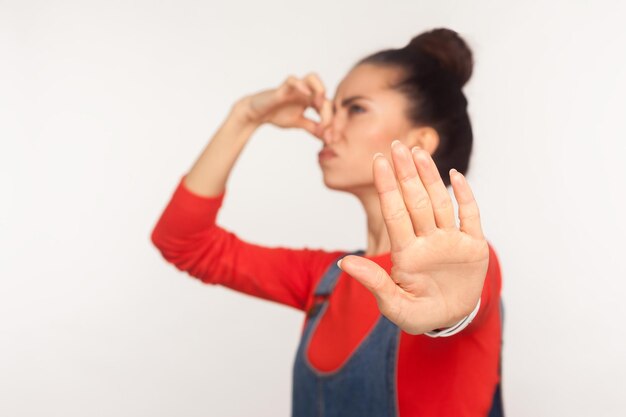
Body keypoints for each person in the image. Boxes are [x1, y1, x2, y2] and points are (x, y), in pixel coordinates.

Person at [151, 27, 504, 417]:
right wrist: (246, 116)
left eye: (354, 109)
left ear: (419, 140)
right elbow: (183, 242)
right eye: (330, 109)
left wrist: (454, 315)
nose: (325, 128)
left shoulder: (463, 271)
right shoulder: (331, 279)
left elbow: (465, 302)